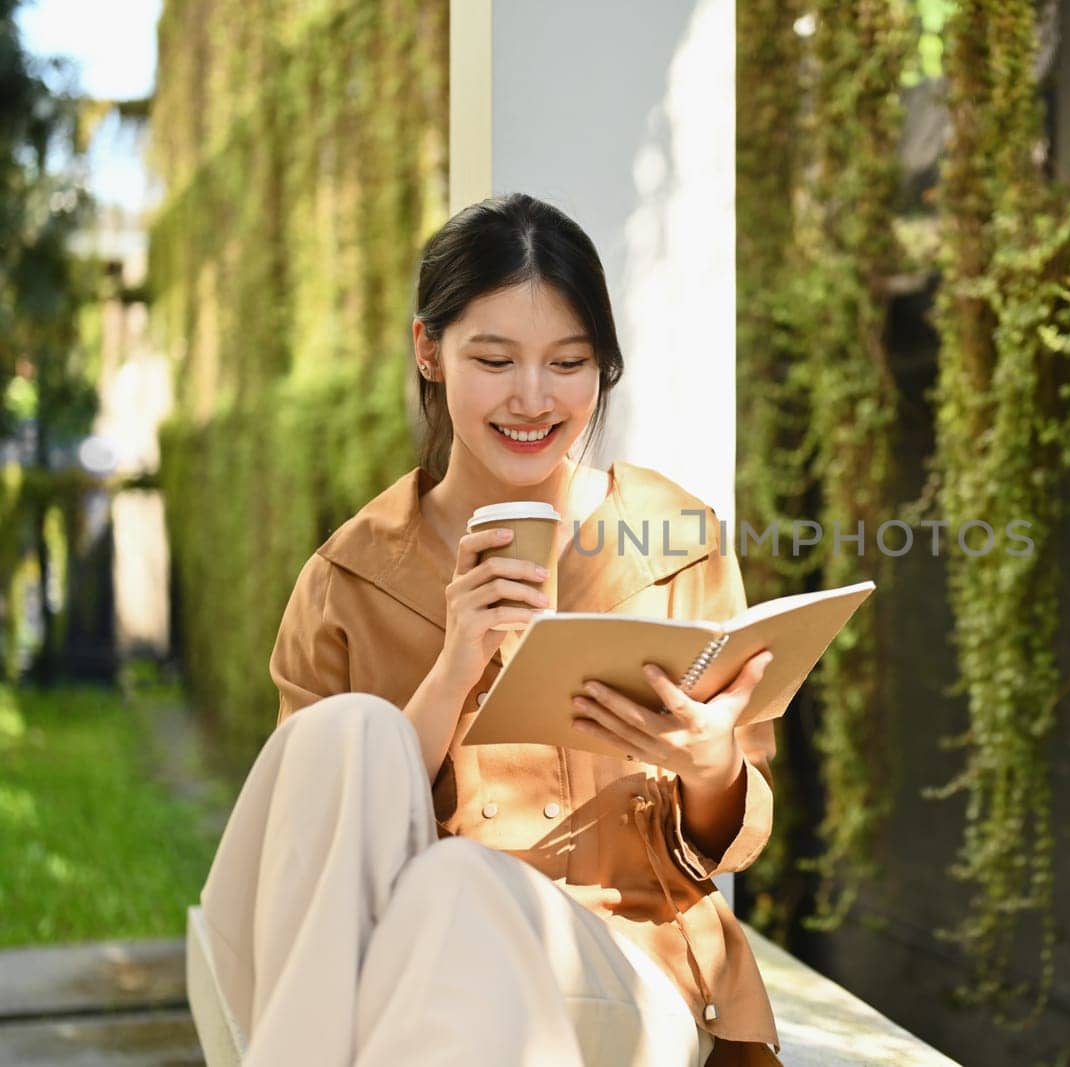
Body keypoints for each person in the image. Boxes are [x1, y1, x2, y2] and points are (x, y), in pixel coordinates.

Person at [197, 193, 782, 1066]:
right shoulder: (347, 579)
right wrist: (453, 664)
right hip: (401, 988)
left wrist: (710, 763)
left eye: (569, 362)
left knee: (461, 881)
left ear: (602, 369)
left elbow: (737, 836)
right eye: (495, 359)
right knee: (351, 740)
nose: (533, 398)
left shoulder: (673, 542)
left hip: (630, 975)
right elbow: (308, 859)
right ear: (429, 352)